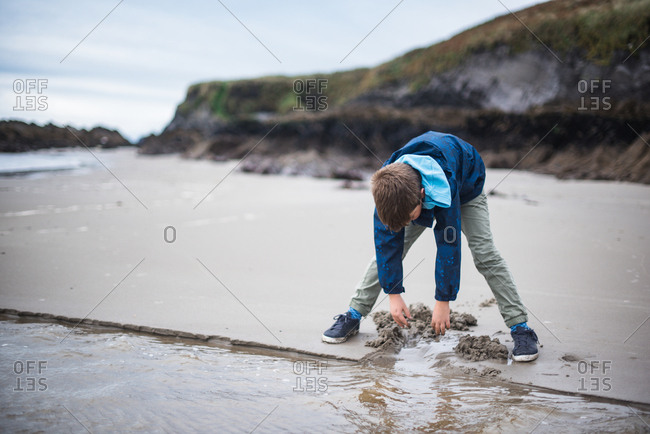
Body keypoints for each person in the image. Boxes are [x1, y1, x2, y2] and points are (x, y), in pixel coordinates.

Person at [322, 131, 539, 362]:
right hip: (415, 192)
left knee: (485, 254)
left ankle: (521, 328)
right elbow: (386, 246)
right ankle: (353, 314)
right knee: (392, 249)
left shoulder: (444, 188)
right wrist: (393, 294)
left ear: (422, 196)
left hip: (464, 184)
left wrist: (442, 301)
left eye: (410, 218)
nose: (407, 224)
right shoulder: (389, 189)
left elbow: (448, 243)